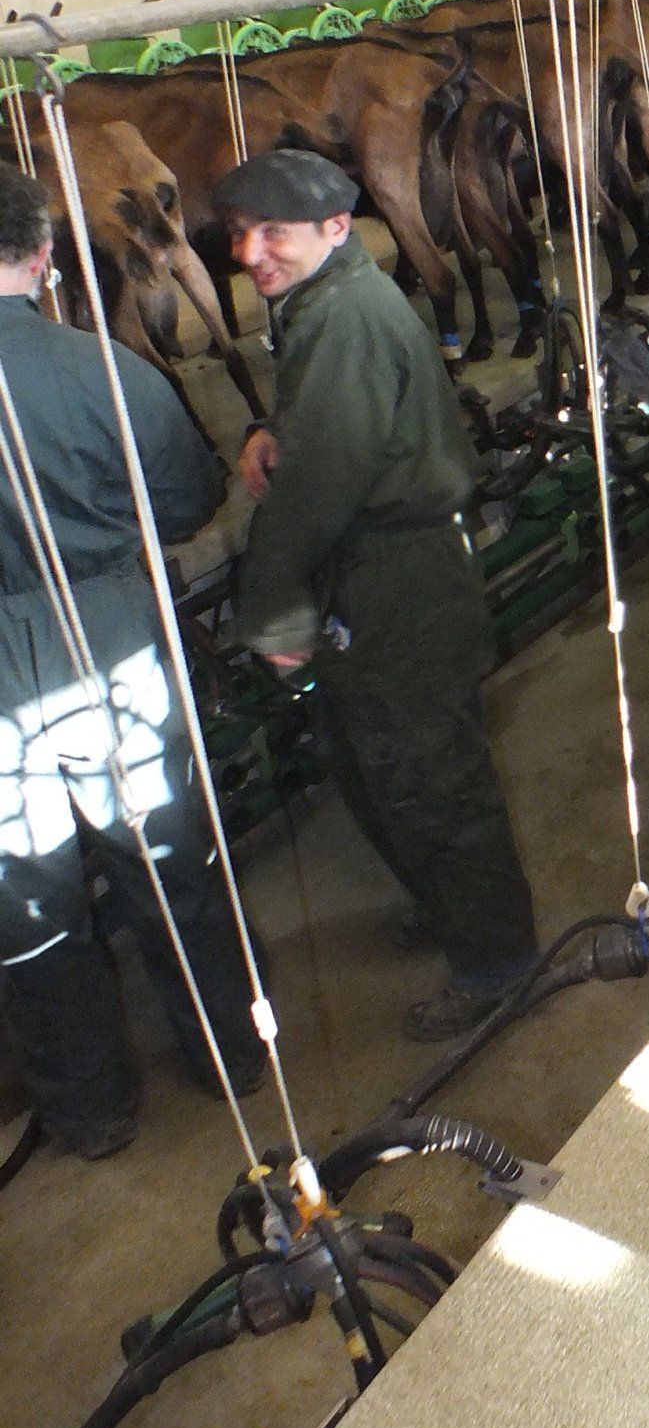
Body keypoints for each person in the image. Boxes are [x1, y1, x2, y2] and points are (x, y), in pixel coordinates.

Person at [215, 149, 539, 1044]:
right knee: (379, 768)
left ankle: (497, 963)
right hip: (380, 565)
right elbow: (329, 429)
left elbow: (320, 487)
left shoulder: (344, 316)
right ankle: (452, 911)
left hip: (395, 576)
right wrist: (270, 428)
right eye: (242, 235)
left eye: (271, 232)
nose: (251, 253)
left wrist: (273, 611)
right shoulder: (324, 304)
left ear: (335, 228)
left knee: (430, 778)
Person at [0, 163, 264, 1156]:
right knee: (165, 858)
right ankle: (230, 1051)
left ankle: (89, 1107)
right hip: (111, 637)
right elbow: (192, 501)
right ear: (43, 256)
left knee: (29, 899)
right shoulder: (108, 371)